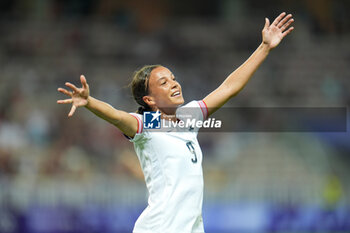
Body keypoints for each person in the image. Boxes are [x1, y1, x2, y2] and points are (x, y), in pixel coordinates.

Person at [57, 12, 294, 233]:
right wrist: (90, 102)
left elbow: (229, 88)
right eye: (163, 82)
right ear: (149, 99)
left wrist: (264, 48)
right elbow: (116, 115)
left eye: (173, 78)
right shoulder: (145, 124)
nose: (173, 83)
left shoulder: (189, 116)